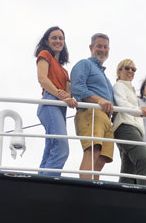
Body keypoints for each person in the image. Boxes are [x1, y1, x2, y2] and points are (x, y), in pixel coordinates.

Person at [70, 33, 115, 179]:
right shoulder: (84, 64)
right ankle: (84, 189)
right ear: (91, 47)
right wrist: (99, 100)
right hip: (91, 111)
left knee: (102, 158)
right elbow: (77, 88)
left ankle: (93, 188)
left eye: (105, 47)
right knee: (93, 149)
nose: (102, 50)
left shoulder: (106, 79)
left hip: (107, 119)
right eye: (99, 46)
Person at [34, 26, 77, 176]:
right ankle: (49, 184)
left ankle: (40, 182)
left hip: (60, 107)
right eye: (54, 38)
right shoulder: (45, 54)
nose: (58, 41)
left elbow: (69, 94)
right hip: (50, 101)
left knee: (51, 148)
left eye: (61, 38)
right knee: (61, 147)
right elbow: (42, 79)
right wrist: (60, 94)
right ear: (47, 41)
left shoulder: (65, 71)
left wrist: (69, 98)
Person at [112, 60, 146, 185]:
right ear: (119, 71)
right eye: (127, 68)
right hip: (125, 127)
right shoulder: (119, 86)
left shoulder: (130, 89)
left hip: (134, 129)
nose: (130, 71)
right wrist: (140, 111)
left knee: (128, 169)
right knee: (143, 160)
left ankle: (122, 197)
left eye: (133, 69)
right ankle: (145, 194)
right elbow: (122, 103)